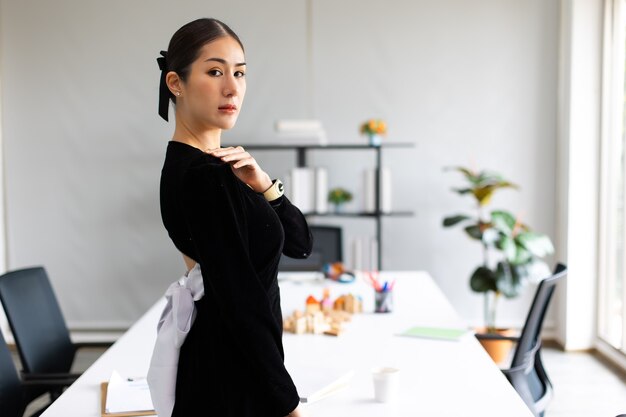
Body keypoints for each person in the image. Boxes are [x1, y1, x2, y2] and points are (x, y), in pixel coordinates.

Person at [153, 18, 313, 417]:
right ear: (176, 83)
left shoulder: (215, 169)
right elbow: (239, 300)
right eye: (215, 71)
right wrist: (288, 402)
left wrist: (264, 185)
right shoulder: (203, 176)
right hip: (231, 380)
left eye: (239, 73)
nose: (232, 87)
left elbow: (300, 244)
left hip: (235, 369)